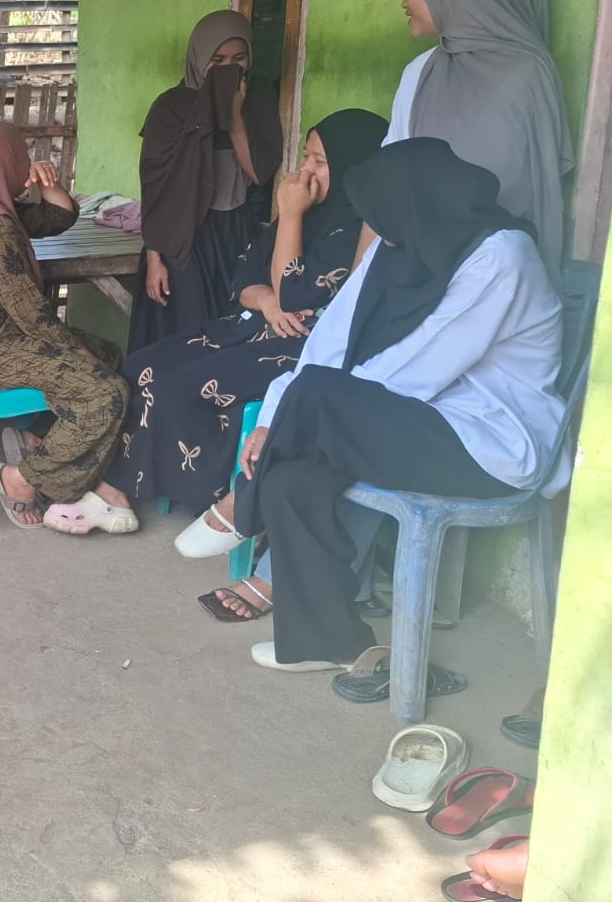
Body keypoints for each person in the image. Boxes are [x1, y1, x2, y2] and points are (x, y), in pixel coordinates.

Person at [190, 140, 566, 672]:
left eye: (381, 214)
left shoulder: (503, 256)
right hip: (416, 421)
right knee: (292, 476)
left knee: (317, 396)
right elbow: (330, 343)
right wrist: (278, 419)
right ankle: (330, 643)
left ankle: (240, 506)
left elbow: (419, 368)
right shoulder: (404, 242)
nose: (377, 231)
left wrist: (308, 411)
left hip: (490, 445)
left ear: (412, 201)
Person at [94, 109, 389, 615]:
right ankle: (128, 484)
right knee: (141, 364)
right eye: (306, 156)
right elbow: (247, 274)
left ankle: (206, 498)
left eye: (320, 161)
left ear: (354, 166)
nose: (305, 171)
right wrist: (266, 300)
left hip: (300, 347)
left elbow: (299, 294)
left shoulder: (361, 229)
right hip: (253, 326)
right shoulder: (310, 210)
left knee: (177, 385)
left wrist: (290, 218)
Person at [0, 119, 135, 536]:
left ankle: (38, 440)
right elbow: (31, 312)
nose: (23, 164)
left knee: (109, 354)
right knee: (107, 391)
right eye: (18, 155)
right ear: (0, 160)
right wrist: (74, 350)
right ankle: (22, 478)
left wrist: (49, 185)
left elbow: (57, 218)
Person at [390, 0, 572, 273]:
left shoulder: (528, 75)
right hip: (417, 265)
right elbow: (392, 175)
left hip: (496, 272)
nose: (404, 2)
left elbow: (528, 196)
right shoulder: (420, 71)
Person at [129, 10, 283, 351]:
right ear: (199, 59)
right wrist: (155, 259)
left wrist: (234, 114)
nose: (229, 68)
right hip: (183, 238)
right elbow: (155, 188)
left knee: (232, 328)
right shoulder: (170, 109)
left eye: (239, 59)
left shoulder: (256, 102)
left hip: (235, 233)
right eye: (217, 60)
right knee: (187, 330)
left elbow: (258, 173)